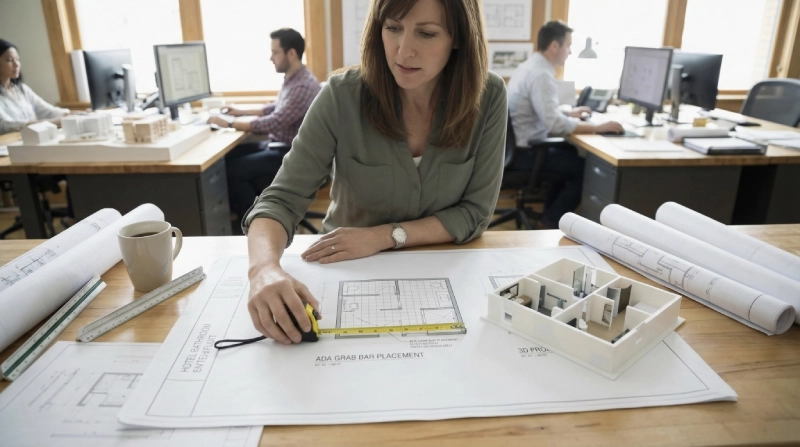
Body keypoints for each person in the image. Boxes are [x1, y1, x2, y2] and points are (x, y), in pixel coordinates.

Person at [244, 0, 505, 345]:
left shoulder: (488, 95)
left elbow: (475, 213)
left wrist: (386, 235)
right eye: (393, 28)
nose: (403, 50)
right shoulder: (341, 96)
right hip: (347, 272)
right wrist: (263, 270)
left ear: (458, 39)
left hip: (447, 271)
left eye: (426, 33)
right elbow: (280, 200)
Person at [507, 21, 623, 229]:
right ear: (554, 46)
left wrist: (568, 112)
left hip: (516, 148)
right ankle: (550, 222)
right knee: (583, 169)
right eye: (568, 46)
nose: (569, 52)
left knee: (569, 150)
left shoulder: (529, 66)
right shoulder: (541, 74)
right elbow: (555, 125)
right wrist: (599, 127)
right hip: (527, 153)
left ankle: (548, 214)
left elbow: (540, 111)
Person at [208, 28, 321, 228]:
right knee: (228, 157)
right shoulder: (295, 79)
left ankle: (256, 224)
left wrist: (229, 123)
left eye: (275, 52)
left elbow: (274, 121)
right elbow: (276, 107)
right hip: (277, 145)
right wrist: (240, 112)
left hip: (289, 154)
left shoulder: (302, 86)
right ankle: (250, 211)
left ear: (291, 53)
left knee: (232, 171)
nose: (271, 58)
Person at [0, 39, 70, 134]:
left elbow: (48, 111)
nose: (16, 65)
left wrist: (76, 114)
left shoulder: (21, 89)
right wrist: (50, 123)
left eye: (17, 59)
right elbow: (5, 125)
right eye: (9, 60)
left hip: (31, 140)